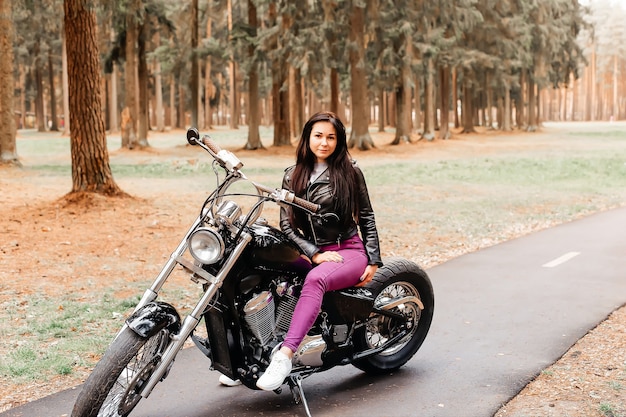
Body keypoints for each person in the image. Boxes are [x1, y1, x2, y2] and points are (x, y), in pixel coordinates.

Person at [255, 111, 383, 391]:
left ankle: (285, 355)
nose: (324, 142)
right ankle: (247, 355)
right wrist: (313, 253)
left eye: (331, 137)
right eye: (318, 136)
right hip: (313, 252)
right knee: (262, 265)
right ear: (307, 137)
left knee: (316, 280)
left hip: (347, 250)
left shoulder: (350, 172)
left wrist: (373, 259)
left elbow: (366, 216)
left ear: (339, 141)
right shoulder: (292, 175)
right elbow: (286, 225)